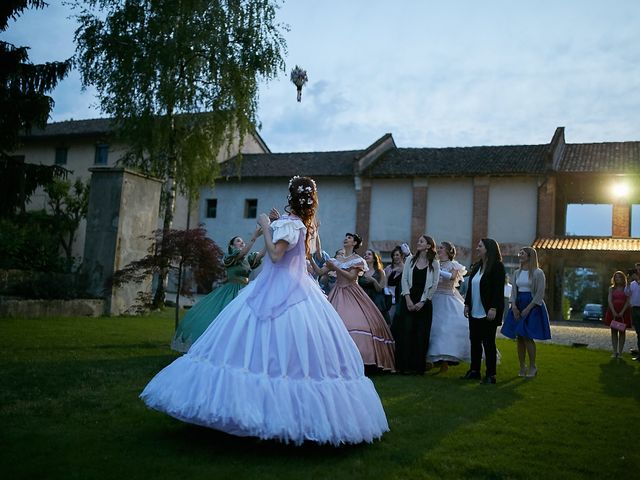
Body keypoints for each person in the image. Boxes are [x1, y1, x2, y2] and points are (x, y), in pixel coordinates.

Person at [140, 176, 389, 445]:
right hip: (296, 288)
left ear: (291, 197)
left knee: (258, 345)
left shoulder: (289, 225)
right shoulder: (301, 225)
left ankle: (257, 414)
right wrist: (276, 223)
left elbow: (275, 255)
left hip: (277, 288)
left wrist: (265, 227)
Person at [312, 234, 396, 372]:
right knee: (332, 323)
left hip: (353, 293)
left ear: (355, 243)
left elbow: (351, 277)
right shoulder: (337, 259)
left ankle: (362, 360)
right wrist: (310, 260)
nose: (346, 239)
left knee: (356, 323)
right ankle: (333, 361)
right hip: (337, 293)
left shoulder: (358, 260)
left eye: (350, 238)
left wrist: (336, 268)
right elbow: (320, 271)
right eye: (345, 237)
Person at [171, 231, 264, 352]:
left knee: (246, 319)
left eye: (242, 241)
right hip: (232, 290)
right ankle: (218, 346)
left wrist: (271, 235)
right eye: (238, 241)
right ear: (232, 246)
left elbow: (261, 254)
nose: (241, 242)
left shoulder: (246, 260)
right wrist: (254, 237)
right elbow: (242, 253)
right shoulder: (230, 256)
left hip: (245, 290)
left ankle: (241, 347)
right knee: (227, 317)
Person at [500, 247, 551, 377]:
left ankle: (533, 366)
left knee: (528, 337)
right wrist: (514, 306)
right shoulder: (516, 272)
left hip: (532, 305)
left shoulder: (538, 273)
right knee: (519, 338)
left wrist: (528, 308)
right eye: (520, 253)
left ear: (530, 256)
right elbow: (514, 291)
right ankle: (522, 367)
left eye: (522, 253)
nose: (520, 255)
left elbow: (540, 293)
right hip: (518, 303)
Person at [393, 235, 440, 374]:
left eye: (421, 241)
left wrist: (422, 301)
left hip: (424, 302)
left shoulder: (434, 263)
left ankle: (417, 367)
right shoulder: (410, 260)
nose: (418, 243)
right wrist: (408, 299)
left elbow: (434, 284)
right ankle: (404, 366)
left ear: (428, 246)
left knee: (421, 334)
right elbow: (405, 279)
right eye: (418, 241)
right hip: (408, 299)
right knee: (406, 332)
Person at [463, 238, 506, 385]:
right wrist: (467, 304)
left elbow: (498, 290)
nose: (477, 248)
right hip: (474, 310)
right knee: (474, 341)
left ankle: (490, 374)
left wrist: (493, 308)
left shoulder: (497, 267)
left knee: (488, 343)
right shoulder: (477, 266)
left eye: (480, 246)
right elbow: (470, 287)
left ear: (488, 248)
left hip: (488, 311)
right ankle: (474, 371)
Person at [427, 241, 470, 373]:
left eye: (441, 248)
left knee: (444, 329)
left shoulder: (453, 265)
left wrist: (438, 270)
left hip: (447, 298)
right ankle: (429, 359)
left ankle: (444, 361)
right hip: (434, 297)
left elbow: (451, 277)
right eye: (438, 248)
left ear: (448, 251)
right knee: (431, 329)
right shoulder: (435, 263)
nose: (438, 250)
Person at [604, 270, 631, 359]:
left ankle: (620, 353)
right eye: (616, 277)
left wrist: (622, 312)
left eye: (620, 277)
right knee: (614, 332)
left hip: (624, 312)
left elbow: (628, 301)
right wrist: (614, 312)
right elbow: (609, 300)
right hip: (613, 311)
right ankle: (614, 352)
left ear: (623, 278)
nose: (618, 279)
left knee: (622, 332)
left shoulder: (626, 288)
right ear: (614, 279)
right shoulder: (611, 288)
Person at [360, 249, 391, 324]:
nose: (366, 255)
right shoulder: (361, 271)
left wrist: (374, 281)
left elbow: (380, 289)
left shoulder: (380, 272)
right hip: (364, 300)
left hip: (376, 301)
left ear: (374, 258)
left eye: (369, 254)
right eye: (365, 254)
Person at [384, 245, 406, 320]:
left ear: (402, 256)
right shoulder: (388, 268)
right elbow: (384, 282)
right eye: (393, 255)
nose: (395, 257)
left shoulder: (406, 269)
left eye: (397, 255)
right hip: (389, 297)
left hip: (401, 298)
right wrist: (386, 291)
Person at [625, 263, 640, 361]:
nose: (638, 271)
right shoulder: (633, 284)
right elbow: (626, 293)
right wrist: (629, 283)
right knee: (639, 332)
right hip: (635, 309)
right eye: (637, 270)